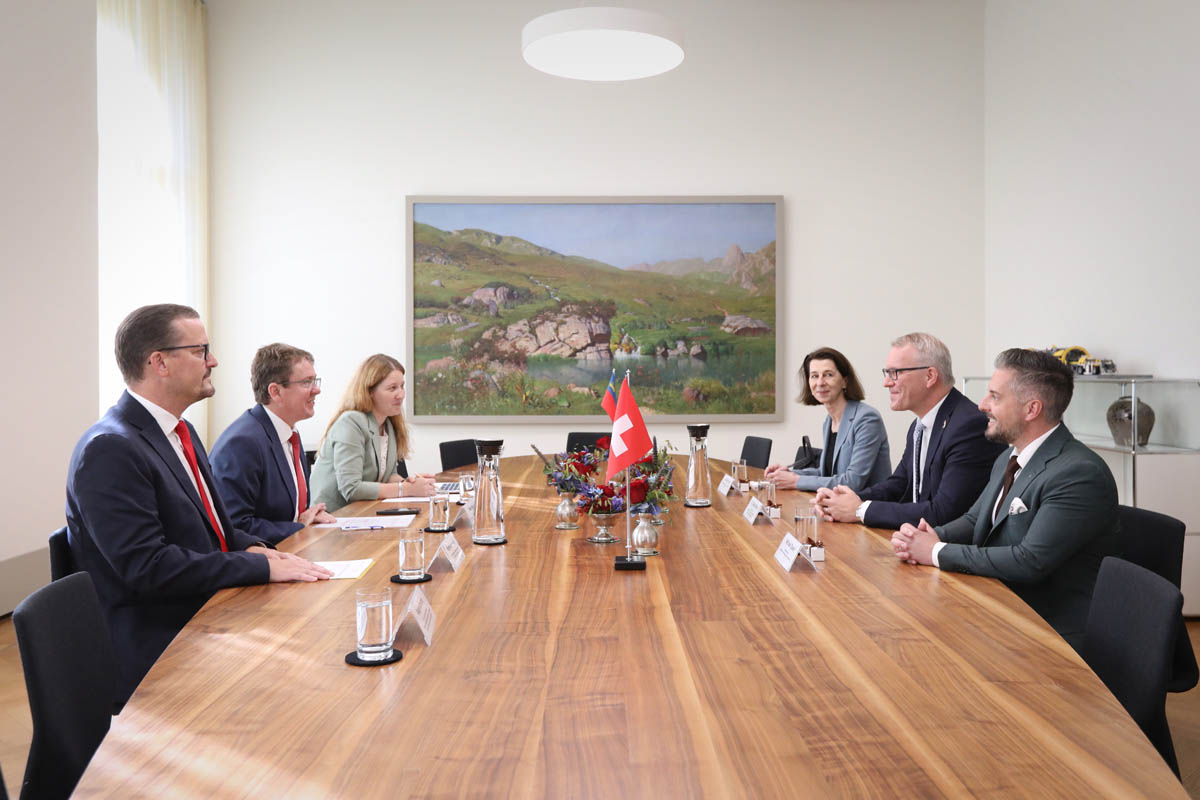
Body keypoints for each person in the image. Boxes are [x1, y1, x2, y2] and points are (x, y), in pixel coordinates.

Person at [65, 304, 331, 705]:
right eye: (199, 350)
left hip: (204, 610)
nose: (213, 361)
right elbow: (148, 568)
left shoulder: (181, 430)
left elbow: (216, 529)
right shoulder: (111, 449)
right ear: (160, 363)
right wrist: (258, 565)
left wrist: (256, 548)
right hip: (160, 641)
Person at [891, 348, 1118, 653]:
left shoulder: (1078, 474)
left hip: (1049, 629)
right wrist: (926, 537)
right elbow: (975, 520)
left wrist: (936, 552)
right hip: (999, 604)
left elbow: (1029, 561)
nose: (983, 405)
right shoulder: (1008, 457)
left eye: (995, 397)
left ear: (1031, 409)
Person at [813, 332, 1004, 529]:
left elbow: (945, 513)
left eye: (895, 373)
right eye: (887, 373)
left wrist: (860, 510)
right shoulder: (919, 425)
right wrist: (838, 500)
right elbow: (899, 484)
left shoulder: (969, 426)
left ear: (930, 376)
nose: (886, 382)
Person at [210, 343, 336, 545]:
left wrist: (308, 516)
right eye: (306, 382)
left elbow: (288, 511)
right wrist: (298, 526)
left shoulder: (288, 432)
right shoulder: (242, 442)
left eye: (315, 381)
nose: (317, 390)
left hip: (291, 552)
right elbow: (235, 526)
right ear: (276, 391)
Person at [310, 354, 436, 511]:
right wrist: (406, 490)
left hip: (364, 513)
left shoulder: (388, 423)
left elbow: (389, 475)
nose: (401, 394)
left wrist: (409, 483)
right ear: (370, 391)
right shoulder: (351, 422)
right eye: (392, 388)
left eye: (402, 386)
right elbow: (351, 488)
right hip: (332, 517)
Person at [764, 346, 890, 492]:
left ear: (844, 381)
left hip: (866, 509)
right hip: (837, 507)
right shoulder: (829, 421)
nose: (820, 383)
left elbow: (852, 482)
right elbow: (825, 473)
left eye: (828, 375)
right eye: (814, 376)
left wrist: (795, 481)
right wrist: (788, 474)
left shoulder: (867, 419)